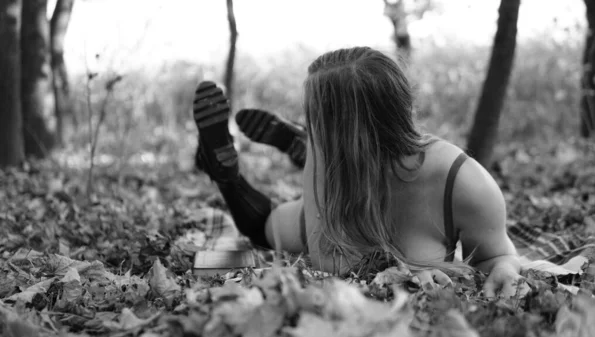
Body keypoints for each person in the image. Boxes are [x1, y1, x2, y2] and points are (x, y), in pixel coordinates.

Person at [192, 46, 525, 298]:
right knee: (262, 227)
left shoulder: (465, 183)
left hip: (346, 163)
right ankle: (227, 174)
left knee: (265, 226)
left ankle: (293, 144)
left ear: (332, 136)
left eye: (316, 127)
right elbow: (332, 268)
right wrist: (405, 275)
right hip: (340, 173)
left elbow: (497, 255)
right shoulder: (325, 163)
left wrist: (504, 269)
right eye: (313, 132)